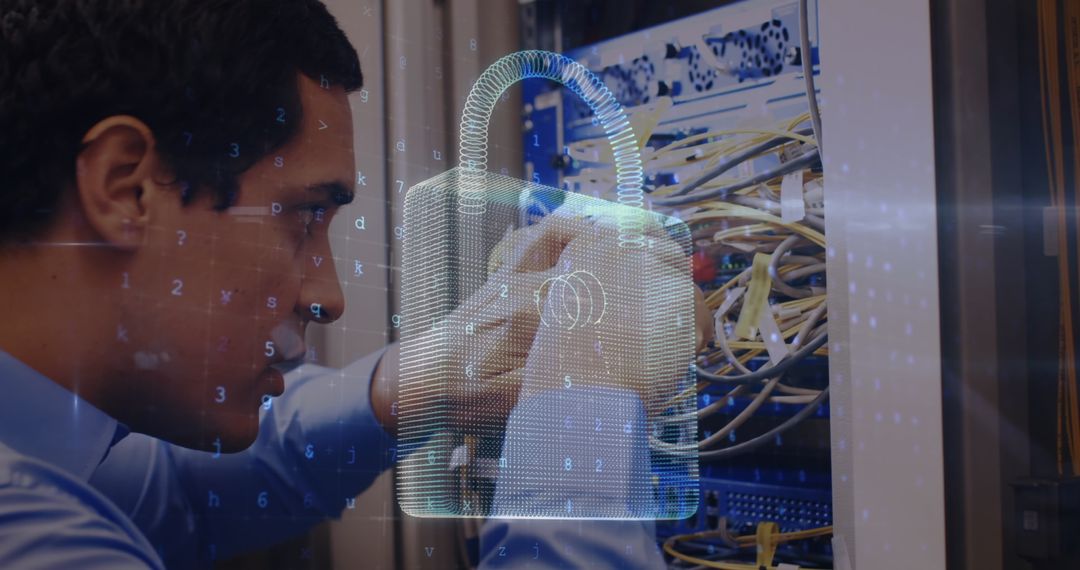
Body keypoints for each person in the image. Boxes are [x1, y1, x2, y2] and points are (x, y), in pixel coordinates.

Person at [0, 0, 711, 567]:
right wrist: (584, 395)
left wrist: (419, 378)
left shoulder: (53, 458)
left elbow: (178, 495)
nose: (327, 296)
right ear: (126, 188)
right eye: (305, 216)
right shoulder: (34, 536)